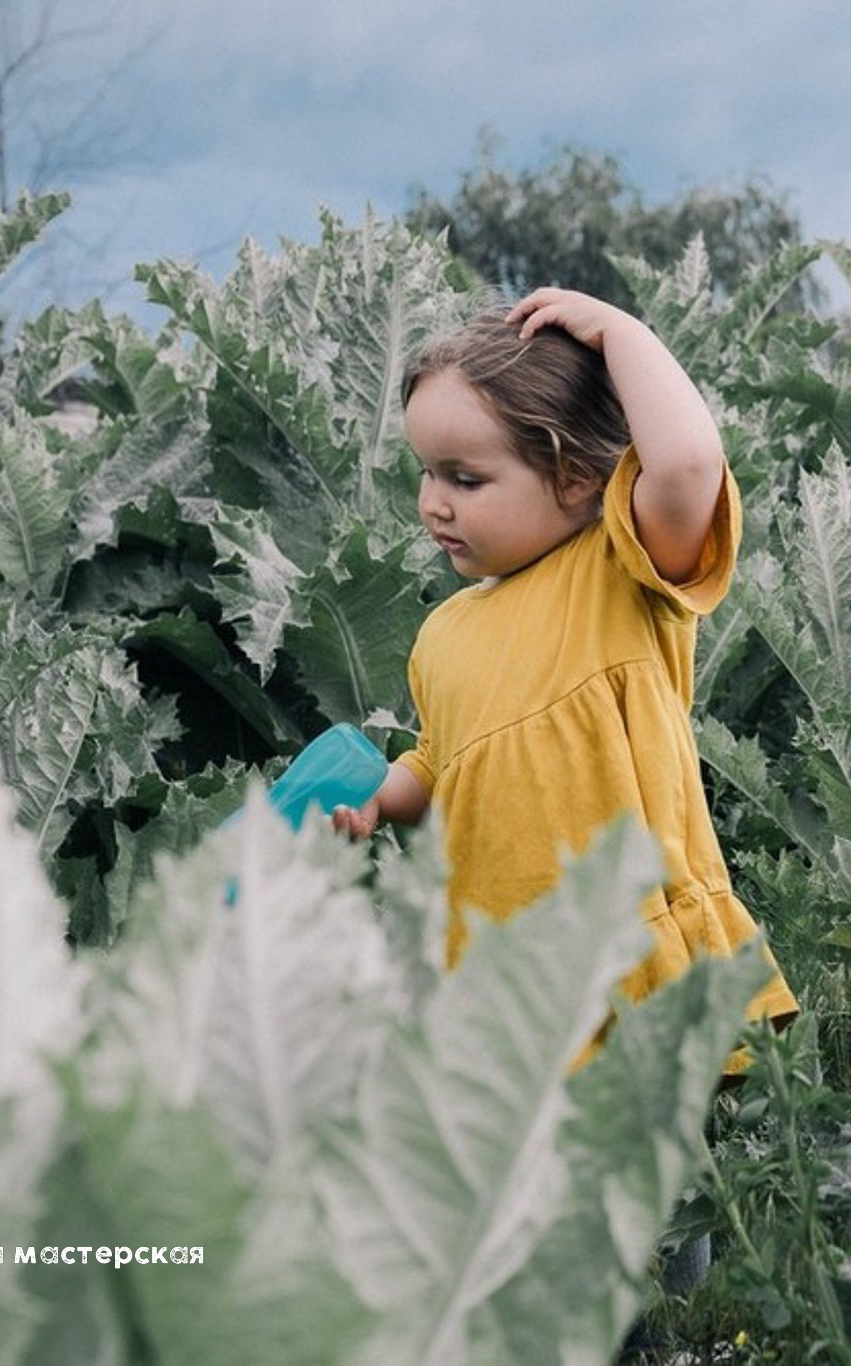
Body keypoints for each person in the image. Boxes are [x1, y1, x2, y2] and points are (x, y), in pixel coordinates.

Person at [331, 286, 797, 1051]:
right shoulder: (443, 633)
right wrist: (383, 796)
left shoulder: (621, 570)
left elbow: (685, 465)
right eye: (427, 473)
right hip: (500, 956)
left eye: (465, 478)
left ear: (577, 476)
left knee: (641, 1152)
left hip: (621, 940)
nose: (433, 504)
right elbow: (443, 766)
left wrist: (620, 333)